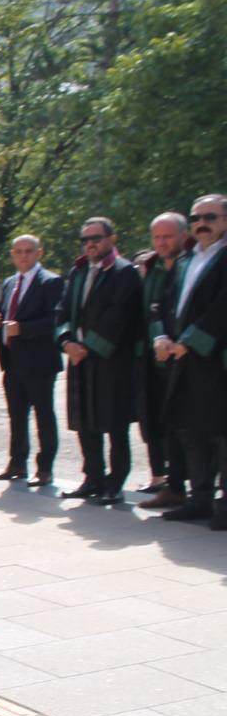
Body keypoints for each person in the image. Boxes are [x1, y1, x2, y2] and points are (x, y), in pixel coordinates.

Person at [56, 217, 144, 505]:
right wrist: (66, 342)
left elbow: (119, 317)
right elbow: (63, 312)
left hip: (110, 360)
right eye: (85, 239)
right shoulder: (79, 272)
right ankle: (92, 477)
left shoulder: (125, 272)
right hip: (79, 359)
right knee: (85, 422)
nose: (90, 244)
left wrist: (88, 347)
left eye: (96, 238)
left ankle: (115, 483)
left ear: (112, 239)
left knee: (114, 424)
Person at [157, 195, 227, 528]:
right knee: (190, 431)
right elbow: (161, 304)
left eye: (210, 217)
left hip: (215, 361)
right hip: (182, 362)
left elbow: (222, 309)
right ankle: (199, 499)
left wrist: (191, 342)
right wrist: (161, 337)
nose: (202, 223)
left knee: (221, 434)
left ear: (224, 221)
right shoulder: (185, 260)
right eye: (196, 217)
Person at [0, 235, 64, 487]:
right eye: (19, 251)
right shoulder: (10, 283)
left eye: (29, 251)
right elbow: (5, 313)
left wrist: (23, 328)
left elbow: (53, 321)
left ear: (38, 253)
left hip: (39, 361)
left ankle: (44, 469)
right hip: (12, 361)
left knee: (43, 415)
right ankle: (17, 463)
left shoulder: (50, 282)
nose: (23, 256)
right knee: (16, 416)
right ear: (12, 254)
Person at [137, 213, 191, 509]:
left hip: (187, 357)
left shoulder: (191, 264)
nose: (162, 242)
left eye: (168, 236)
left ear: (184, 236)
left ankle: (201, 490)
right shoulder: (152, 268)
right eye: (157, 237)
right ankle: (173, 484)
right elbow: (152, 310)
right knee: (161, 424)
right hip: (154, 359)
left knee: (192, 428)